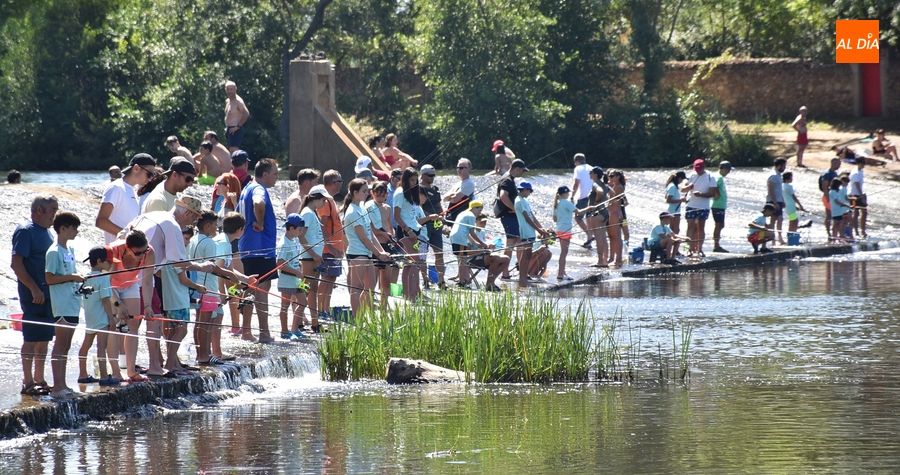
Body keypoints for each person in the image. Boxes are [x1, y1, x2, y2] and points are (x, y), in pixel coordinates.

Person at [12, 196, 58, 397]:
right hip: (34, 294)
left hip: (48, 293)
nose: (55, 215)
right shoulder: (26, 230)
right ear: (39, 210)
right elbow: (16, 264)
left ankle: (40, 378)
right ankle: (27, 380)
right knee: (31, 337)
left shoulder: (46, 231)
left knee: (44, 337)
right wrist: (33, 289)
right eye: (52, 210)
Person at [237, 158, 279, 343]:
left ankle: (246, 331)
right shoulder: (259, 189)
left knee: (251, 288)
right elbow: (259, 202)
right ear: (265, 174)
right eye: (275, 174)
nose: (277, 178)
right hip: (261, 248)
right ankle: (264, 333)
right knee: (262, 290)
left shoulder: (247, 187)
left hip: (247, 247)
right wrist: (261, 224)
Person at [43, 211, 84, 398]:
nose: (76, 231)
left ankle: (63, 385)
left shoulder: (70, 250)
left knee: (66, 345)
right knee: (60, 344)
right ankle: (57, 387)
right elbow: (49, 278)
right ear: (63, 228)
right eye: (74, 228)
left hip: (72, 303)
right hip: (61, 305)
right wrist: (72, 277)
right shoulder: (53, 251)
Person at [342, 179, 391, 315]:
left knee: (370, 288)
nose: (367, 193)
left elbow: (370, 234)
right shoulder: (352, 212)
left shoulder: (362, 209)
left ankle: (364, 316)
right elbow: (363, 238)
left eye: (367, 191)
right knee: (356, 289)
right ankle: (358, 320)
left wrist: (381, 252)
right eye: (364, 191)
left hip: (368, 254)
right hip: (357, 254)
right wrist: (379, 254)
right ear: (355, 192)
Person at [78, 246, 123, 386]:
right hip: (102, 317)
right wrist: (111, 318)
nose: (111, 264)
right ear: (99, 261)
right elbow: (105, 300)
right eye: (109, 261)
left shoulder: (85, 277)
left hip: (90, 317)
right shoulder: (103, 278)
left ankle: (82, 374)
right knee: (101, 346)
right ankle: (104, 376)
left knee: (86, 345)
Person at [394, 168, 438, 300]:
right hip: (405, 231)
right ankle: (412, 295)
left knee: (409, 263)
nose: (414, 182)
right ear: (405, 179)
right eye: (411, 180)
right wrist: (408, 230)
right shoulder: (400, 193)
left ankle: (408, 294)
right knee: (416, 262)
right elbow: (396, 216)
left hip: (414, 230)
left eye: (415, 180)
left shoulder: (411, 193)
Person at [96, 153, 156, 243]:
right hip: (116, 253)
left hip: (131, 253)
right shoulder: (116, 187)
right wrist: (129, 236)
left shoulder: (134, 190)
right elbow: (100, 221)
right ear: (136, 168)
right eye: (150, 174)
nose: (151, 179)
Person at [186, 211, 219, 367]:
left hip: (194, 285)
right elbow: (212, 267)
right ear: (207, 225)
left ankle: (201, 354)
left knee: (198, 323)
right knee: (206, 324)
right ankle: (204, 355)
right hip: (208, 287)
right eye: (215, 225)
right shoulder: (210, 243)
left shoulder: (191, 239)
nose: (216, 229)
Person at [299, 185, 330, 331]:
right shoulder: (308, 213)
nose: (325, 203)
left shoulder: (312, 212)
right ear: (315, 198)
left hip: (314, 258)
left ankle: (314, 322)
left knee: (312, 290)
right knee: (305, 290)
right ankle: (298, 322)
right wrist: (314, 255)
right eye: (323, 200)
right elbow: (301, 237)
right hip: (309, 258)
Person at [317, 170, 347, 320]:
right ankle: (321, 310)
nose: (341, 185)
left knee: (331, 279)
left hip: (335, 249)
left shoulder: (332, 200)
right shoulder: (325, 201)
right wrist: (330, 247)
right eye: (340, 182)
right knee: (326, 278)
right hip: (329, 249)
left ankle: (326, 310)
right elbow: (322, 225)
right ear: (335, 183)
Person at [552, 186, 598, 281]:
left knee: (563, 251)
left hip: (559, 229)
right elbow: (579, 212)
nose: (569, 194)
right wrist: (589, 207)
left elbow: (555, 219)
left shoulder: (557, 204)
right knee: (564, 253)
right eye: (568, 192)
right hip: (566, 229)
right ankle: (560, 274)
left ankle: (562, 272)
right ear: (565, 193)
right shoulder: (567, 203)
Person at [495, 159, 528, 279]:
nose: (522, 173)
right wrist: (514, 208)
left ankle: (521, 272)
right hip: (508, 216)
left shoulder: (509, 179)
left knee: (519, 242)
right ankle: (505, 273)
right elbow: (503, 196)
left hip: (511, 217)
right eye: (522, 171)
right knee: (511, 244)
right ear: (517, 168)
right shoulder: (507, 180)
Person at [214, 212, 245, 336]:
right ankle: (213, 351)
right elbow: (219, 270)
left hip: (213, 284)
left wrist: (246, 279)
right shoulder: (224, 243)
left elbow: (229, 269)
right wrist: (222, 293)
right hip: (211, 286)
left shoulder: (225, 241)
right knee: (216, 316)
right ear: (239, 230)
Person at [680, 159, 719, 258]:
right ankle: (690, 249)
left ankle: (699, 248)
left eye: (699, 169)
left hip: (703, 206)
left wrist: (701, 194)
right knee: (690, 226)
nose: (697, 171)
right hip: (691, 205)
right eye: (696, 169)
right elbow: (682, 189)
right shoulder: (692, 175)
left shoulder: (710, 177)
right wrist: (689, 186)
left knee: (701, 227)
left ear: (704, 167)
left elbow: (713, 193)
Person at [365, 181, 396, 306]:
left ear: (386, 195)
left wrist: (392, 235)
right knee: (372, 281)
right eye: (377, 195)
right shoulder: (368, 207)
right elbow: (369, 230)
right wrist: (383, 234)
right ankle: (370, 307)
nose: (380, 198)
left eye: (382, 195)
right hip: (374, 247)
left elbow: (390, 227)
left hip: (386, 246)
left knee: (386, 281)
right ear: (372, 194)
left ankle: (384, 309)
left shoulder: (388, 208)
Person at [277, 214, 307, 340]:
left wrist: (299, 267)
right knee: (285, 305)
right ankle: (284, 331)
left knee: (303, 302)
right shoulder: (284, 243)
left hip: (296, 280)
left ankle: (294, 329)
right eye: (299, 229)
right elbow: (279, 264)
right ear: (291, 228)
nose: (301, 232)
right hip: (286, 280)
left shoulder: (295, 241)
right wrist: (295, 272)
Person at [514, 182, 549, 287]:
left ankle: (524, 278)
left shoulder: (525, 201)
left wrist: (541, 228)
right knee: (525, 256)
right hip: (525, 232)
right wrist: (538, 229)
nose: (530, 193)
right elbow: (527, 218)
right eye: (529, 191)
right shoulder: (519, 201)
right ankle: (522, 280)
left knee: (528, 255)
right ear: (524, 190)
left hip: (531, 232)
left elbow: (532, 216)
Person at [418, 164, 446, 288]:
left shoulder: (436, 189)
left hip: (436, 225)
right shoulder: (419, 189)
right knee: (422, 254)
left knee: (439, 253)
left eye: (434, 175)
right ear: (423, 175)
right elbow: (419, 208)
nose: (432, 178)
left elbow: (439, 206)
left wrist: (442, 216)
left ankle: (441, 280)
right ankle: (425, 280)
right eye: (430, 175)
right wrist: (432, 216)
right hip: (424, 225)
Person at [449, 201, 488, 287]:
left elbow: (468, 234)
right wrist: (483, 244)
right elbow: (472, 233)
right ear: (474, 208)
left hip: (454, 236)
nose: (480, 213)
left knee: (461, 257)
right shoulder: (471, 216)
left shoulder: (463, 213)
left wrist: (476, 243)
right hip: (461, 237)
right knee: (463, 259)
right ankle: (462, 281)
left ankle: (461, 279)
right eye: (479, 210)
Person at [469, 215, 509, 291]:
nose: (483, 224)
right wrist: (483, 250)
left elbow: (484, 245)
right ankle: (489, 284)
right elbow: (467, 252)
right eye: (481, 222)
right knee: (495, 258)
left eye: (485, 222)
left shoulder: (483, 231)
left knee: (506, 259)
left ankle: (491, 281)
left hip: (482, 256)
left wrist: (489, 247)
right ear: (476, 221)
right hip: (472, 259)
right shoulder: (472, 232)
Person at [587, 166, 610, 267]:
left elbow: (600, 192)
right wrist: (605, 204)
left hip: (597, 214)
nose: (589, 174)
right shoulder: (605, 185)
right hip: (604, 213)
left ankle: (600, 262)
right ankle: (605, 261)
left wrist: (596, 202)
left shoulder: (595, 184)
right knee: (603, 238)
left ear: (595, 174)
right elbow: (613, 195)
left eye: (590, 172)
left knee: (598, 238)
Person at [443, 158, 476, 223]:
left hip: (461, 217)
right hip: (453, 215)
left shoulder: (469, 183)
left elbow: (454, 200)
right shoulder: (458, 183)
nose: (458, 170)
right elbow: (444, 198)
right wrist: (452, 195)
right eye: (457, 167)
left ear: (469, 169)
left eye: (461, 168)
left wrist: (450, 197)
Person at [571, 153, 594, 247]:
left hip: (584, 196)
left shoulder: (578, 169)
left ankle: (589, 234)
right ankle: (589, 242)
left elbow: (576, 183)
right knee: (589, 218)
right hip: (593, 196)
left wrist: (572, 196)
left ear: (577, 161)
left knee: (578, 217)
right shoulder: (591, 168)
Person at [605, 170, 626, 267]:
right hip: (609, 213)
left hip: (615, 213)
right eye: (609, 176)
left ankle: (619, 259)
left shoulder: (618, 187)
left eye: (612, 176)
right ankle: (611, 258)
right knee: (611, 237)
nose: (610, 177)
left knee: (617, 237)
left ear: (618, 177)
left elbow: (611, 201)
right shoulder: (612, 186)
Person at [711, 161, 732, 253]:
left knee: (720, 224)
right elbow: (713, 186)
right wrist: (717, 194)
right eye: (728, 170)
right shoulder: (718, 177)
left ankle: (717, 244)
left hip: (721, 205)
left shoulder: (719, 177)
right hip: (717, 204)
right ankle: (716, 245)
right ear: (725, 169)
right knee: (719, 224)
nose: (728, 172)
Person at [765, 158, 787, 244]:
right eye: (784, 166)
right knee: (774, 220)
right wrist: (775, 203)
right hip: (773, 201)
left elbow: (779, 190)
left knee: (780, 219)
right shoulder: (773, 175)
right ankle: (773, 239)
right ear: (779, 166)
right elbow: (771, 190)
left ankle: (779, 238)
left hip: (778, 200)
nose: (785, 168)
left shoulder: (778, 175)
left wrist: (782, 200)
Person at [224, 80, 250, 152]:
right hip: (229, 129)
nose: (229, 91)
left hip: (235, 129)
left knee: (234, 151)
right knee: (230, 151)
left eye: (231, 89)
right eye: (228, 89)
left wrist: (237, 126)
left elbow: (246, 113)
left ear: (235, 89)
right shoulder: (228, 101)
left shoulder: (238, 101)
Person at [819, 158, 840, 240]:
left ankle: (834, 232)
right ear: (833, 163)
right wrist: (827, 199)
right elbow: (825, 186)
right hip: (828, 196)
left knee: (835, 215)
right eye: (838, 164)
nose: (839, 166)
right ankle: (829, 233)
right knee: (829, 215)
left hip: (834, 196)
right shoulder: (827, 173)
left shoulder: (835, 173)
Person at [664, 171, 687, 240]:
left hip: (672, 211)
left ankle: (669, 247)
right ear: (679, 178)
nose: (681, 181)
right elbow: (668, 200)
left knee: (671, 230)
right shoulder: (672, 186)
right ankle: (672, 248)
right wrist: (681, 200)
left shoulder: (671, 185)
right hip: (674, 211)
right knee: (675, 230)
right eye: (682, 179)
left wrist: (679, 199)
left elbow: (666, 196)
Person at [849, 157, 867, 238]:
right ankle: (856, 232)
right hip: (854, 195)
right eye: (863, 163)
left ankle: (863, 231)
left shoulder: (861, 171)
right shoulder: (855, 172)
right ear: (859, 163)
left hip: (861, 194)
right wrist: (861, 196)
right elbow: (857, 185)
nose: (864, 165)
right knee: (856, 213)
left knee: (864, 212)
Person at [829, 177, 851, 242]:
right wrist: (845, 204)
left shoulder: (836, 192)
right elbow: (836, 201)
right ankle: (834, 238)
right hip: (835, 211)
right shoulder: (832, 192)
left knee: (838, 223)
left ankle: (837, 237)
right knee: (836, 224)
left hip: (839, 211)